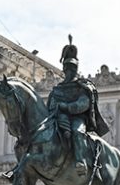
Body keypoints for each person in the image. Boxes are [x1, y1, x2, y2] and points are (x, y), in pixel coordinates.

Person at [46, 36, 110, 177]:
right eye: (68, 69)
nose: (70, 72)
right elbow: (50, 106)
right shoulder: (57, 89)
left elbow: (83, 104)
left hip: (77, 118)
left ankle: (80, 161)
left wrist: (67, 107)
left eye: (72, 69)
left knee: (77, 132)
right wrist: (56, 109)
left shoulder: (82, 87)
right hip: (59, 118)